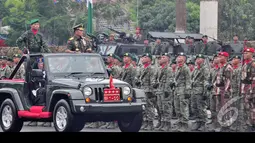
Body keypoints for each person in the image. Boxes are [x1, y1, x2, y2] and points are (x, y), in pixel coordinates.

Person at [152, 53, 173, 131]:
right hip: (159, 90)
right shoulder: (159, 69)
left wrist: (167, 90)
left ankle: (167, 124)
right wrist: (154, 84)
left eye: (163, 57)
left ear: (167, 59)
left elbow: (170, 80)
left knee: (166, 108)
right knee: (160, 108)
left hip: (166, 91)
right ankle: (162, 122)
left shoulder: (169, 69)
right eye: (161, 57)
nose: (161, 58)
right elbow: (154, 78)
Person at [135, 53, 156, 130]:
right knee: (143, 107)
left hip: (148, 90)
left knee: (149, 107)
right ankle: (145, 121)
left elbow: (152, 81)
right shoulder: (141, 68)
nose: (143, 58)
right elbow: (137, 77)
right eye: (143, 57)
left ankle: (150, 122)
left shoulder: (151, 68)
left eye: (145, 57)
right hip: (141, 89)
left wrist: (152, 91)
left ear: (149, 59)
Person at [172, 52, 191, 132]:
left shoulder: (185, 68)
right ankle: (179, 123)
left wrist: (187, 91)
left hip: (183, 90)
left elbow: (188, 80)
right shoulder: (178, 68)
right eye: (178, 56)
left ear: (184, 59)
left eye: (181, 57)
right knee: (177, 108)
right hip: (177, 90)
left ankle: (185, 125)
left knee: (184, 108)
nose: (178, 58)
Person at [190, 54, 210, 131]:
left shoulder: (205, 69)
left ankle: (203, 123)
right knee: (194, 107)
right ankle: (198, 121)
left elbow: (206, 81)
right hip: (194, 91)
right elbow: (192, 79)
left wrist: (205, 92)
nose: (197, 60)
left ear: (203, 60)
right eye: (197, 58)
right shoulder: (196, 69)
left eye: (199, 58)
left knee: (201, 108)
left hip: (200, 91)